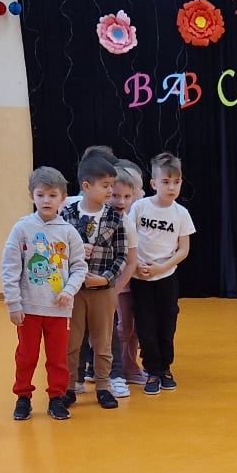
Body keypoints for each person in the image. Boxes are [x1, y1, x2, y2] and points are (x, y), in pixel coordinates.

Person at [1, 166, 87, 421]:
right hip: (28, 309)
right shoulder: (21, 228)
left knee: (58, 357)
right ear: (32, 196)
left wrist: (69, 290)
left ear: (63, 198)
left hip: (59, 310)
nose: (46, 200)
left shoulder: (69, 232)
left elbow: (79, 267)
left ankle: (56, 397)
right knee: (26, 356)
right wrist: (13, 303)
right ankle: (23, 397)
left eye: (52, 195)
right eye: (41, 195)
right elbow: (10, 267)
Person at [61, 146, 130, 411]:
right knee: (73, 341)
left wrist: (106, 279)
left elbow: (122, 255)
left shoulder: (115, 217)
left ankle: (103, 386)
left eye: (112, 185)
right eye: (105, 185)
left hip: (102, 290)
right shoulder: (67, 214)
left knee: (103, 341)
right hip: (75, 290)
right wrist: (76, 251)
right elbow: (57, 252)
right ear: (87, 186)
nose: (110, 191)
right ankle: (69, 387)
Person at [128, 151, 195, 394]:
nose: (171, 187)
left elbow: (183, 249)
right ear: (154, 183)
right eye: (165, 182)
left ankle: (165, 368)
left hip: (166, 277)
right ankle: (152, 370)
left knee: (167, 323)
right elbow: (128, 238)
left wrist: (162, 267)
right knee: (145, 325)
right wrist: (136, 265)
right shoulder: (140, 207)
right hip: (140, 278)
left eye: (176, 182)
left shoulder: (181, 213)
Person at [107, 160, 145, 396]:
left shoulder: (134, 218)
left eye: (129, 194)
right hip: (107, 285)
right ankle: (111, 370)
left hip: (130, 282)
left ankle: (127, 367)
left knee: (130, 327)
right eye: (116, 195)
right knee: (115, 328)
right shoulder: (103, 217)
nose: (122, 200)